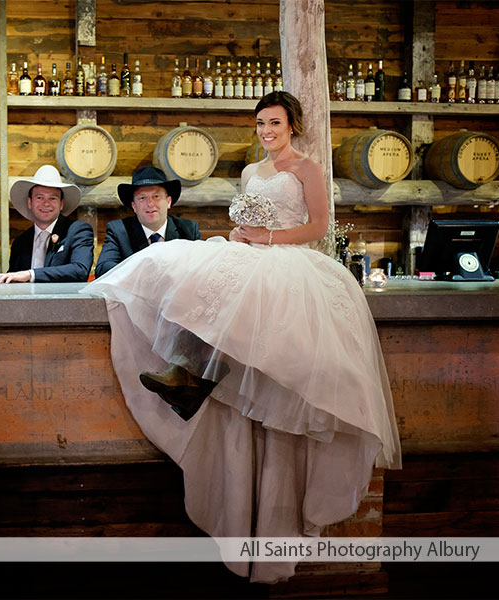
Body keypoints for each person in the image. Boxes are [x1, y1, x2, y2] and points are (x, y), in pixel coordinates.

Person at [82, 92, 401, 584]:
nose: (265, 131)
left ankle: (197, 379)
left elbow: (319, 226)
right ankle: (187, 372)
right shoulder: (252, 173)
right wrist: (237, 238)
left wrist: (268, 240)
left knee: (245, 317)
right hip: (253, 255)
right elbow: (245, 224)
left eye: (273, 123)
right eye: (259, 124)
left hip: (291, 263)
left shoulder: (307, 169)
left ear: (291, 125)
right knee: (198, 281)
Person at [95, 166, 201, 278]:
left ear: (168, 202)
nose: (150, 204)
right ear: (134, 206)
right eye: (142, 198)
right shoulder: (119, 230)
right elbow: (103, 268)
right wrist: (144, 271)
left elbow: (202, 267)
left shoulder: (188, 229)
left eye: (156, 196)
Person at [0, 165, 93, 283]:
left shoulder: (78, 230)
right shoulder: (20, 242)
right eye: (40, 197)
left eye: (52, 198)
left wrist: (31, 274)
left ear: (61, 204)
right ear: (30, 202)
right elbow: (14, 277)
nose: (46, 204)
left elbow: (80, 270)